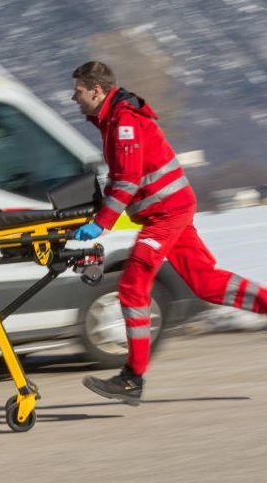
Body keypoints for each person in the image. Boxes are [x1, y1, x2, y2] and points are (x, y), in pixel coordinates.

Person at [70, 61, 267, 406]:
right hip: (165, 213)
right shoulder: (112, 119)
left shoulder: (125, 121)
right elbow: (124, 177)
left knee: (133, 285)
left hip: (167, 214)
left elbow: (129, 180)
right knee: (206, 283)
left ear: (97, 90)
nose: (74, 97)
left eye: (79, 90)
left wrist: (102, 223)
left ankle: (132, 378)